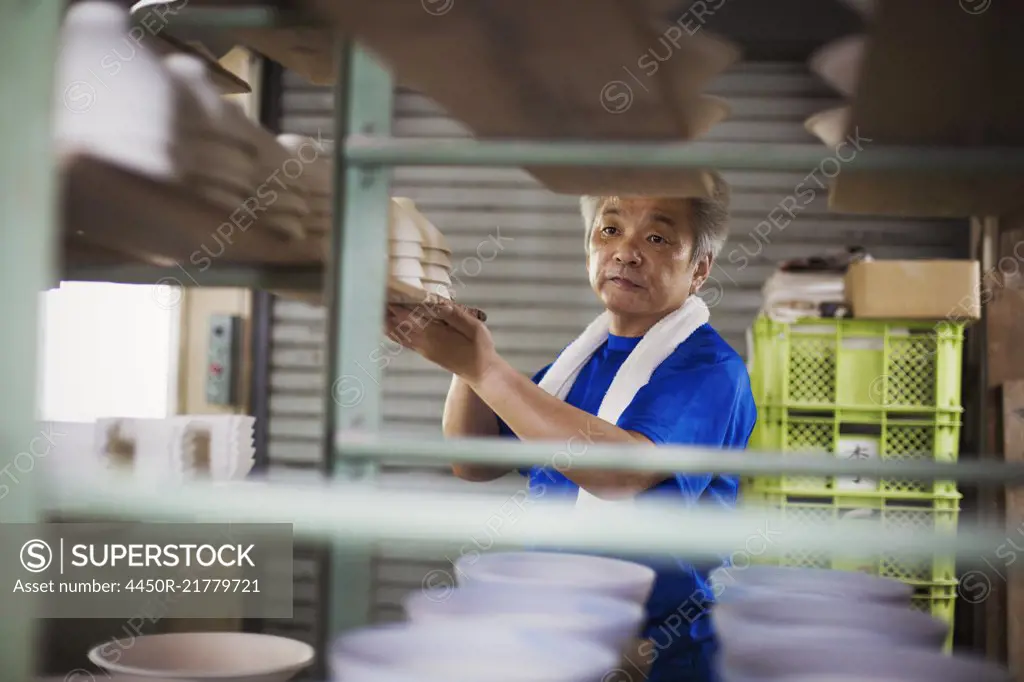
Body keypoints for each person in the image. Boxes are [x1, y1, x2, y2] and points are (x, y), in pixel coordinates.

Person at [384, 173, 757, 682]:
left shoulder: (710, 370)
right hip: (564, 637)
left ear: (700, 269)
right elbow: (473, 459)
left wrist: (487, 369)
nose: (625, 252)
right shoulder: (578, 365)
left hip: (660, 653)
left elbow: (618, 473)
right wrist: (465, 368)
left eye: (657, 237)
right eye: (609, 230)